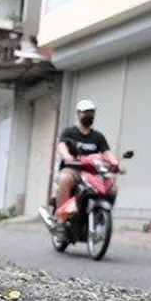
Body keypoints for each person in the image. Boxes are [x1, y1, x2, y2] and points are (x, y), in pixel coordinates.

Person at [53, 98, 111, 230]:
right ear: (78, 114)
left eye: (91, 112)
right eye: (85, 112)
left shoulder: (98, 137)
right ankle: (62, 218)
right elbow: (62, 145)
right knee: (65, 179)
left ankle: (100, 215)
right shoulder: (69, 132)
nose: (88, 115)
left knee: (112, 187)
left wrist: (115, 163)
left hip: (91, 172)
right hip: (72, 170)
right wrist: (67, 156)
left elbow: (107, 152)